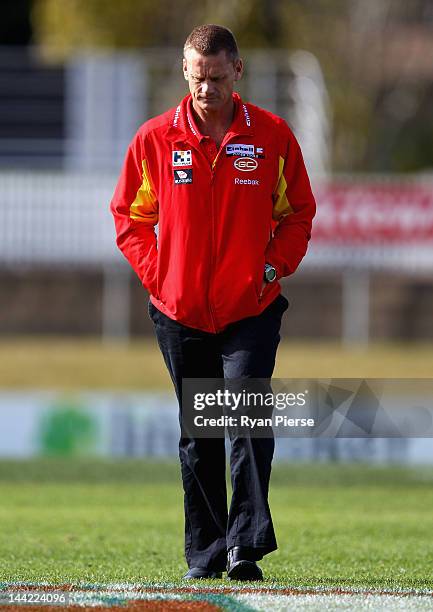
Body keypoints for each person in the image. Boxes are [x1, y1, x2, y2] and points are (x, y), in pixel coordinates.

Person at [110, 24, 316, 581]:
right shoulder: (154, 139)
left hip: (251, 309)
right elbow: (130, 219)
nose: (206, 90)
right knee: (198, 432)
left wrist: (271, 268)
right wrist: (161, 276)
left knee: (246, 416)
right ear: (185, 72)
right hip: (179, 313)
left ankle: (245, 547)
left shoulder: (272, 136)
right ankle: (205, 554)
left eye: (217, 78)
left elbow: (297, 213)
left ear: (237, 72)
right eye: (198, 78)